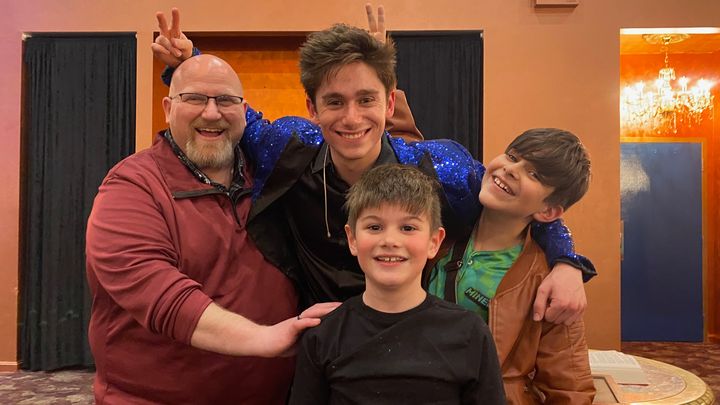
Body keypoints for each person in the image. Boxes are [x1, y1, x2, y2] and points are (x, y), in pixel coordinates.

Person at [152, 6, 595, 325]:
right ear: (312, 108)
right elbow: (232, 114)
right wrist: (187, 64)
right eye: (334, 102)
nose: (351, 118)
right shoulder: (288, 145)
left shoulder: (439, 167)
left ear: (389, 104)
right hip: (313, 341)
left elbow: (515, 201)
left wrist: (567, 263)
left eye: (366, 99)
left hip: (413, 343)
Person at [85, 54, 339, 404]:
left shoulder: (271, 177)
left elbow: (366, 152)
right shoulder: (132, 188)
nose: (211, 112)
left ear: (244, 111)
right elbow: (162, 298)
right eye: (194, 98)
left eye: (225, 100)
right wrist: (266, 339)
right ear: (168, 108)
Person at [289, 164, 506, 404]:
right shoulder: (323, 336)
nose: (390, 240)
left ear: (434, 242)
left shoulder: (469, 333)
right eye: (374, 227)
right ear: (352, 239)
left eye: (408, 228)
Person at [427, 128, 595, 404]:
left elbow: (570, 389)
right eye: (513, 156)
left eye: (534, 174)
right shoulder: (434, 240)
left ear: (548, 211)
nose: (511, 169)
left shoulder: (549, 280)